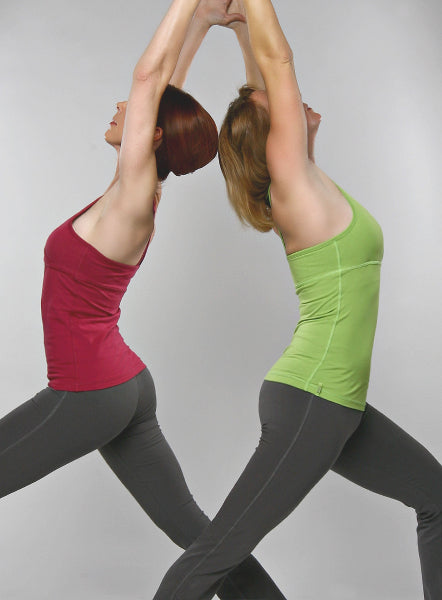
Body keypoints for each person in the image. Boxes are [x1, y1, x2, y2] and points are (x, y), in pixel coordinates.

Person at [153, 1, 442, 598]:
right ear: (273, 136)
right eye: (279, 106)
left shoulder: (306, 180)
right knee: (216, 556)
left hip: (338, 404)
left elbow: (265, 73)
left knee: (436, 497)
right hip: (313, 401)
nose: (295, 99)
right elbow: (279, 62)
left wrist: (236, 26)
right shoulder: (294, 186)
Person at [0, 1, 287, 598]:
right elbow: (162, 91)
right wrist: (204, 24)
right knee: (197, 534)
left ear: (150, 136)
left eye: (130, 114)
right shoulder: (136, 189)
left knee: (194, 532)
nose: (119, 109)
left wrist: (184, 1)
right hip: (122, 388)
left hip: (89, 392)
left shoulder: (133, 197)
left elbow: (148, 81)